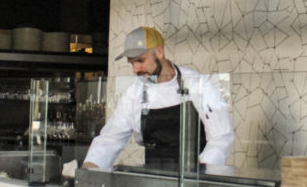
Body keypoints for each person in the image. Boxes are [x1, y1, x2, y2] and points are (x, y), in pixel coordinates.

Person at [82, 26, 233, 169]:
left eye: (140, 61)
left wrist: (201, 173)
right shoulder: (134, 93)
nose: (135, 69)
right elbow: (111, 138)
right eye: (132, 63)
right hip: (153, 181)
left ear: (160, 52)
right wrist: (89, 168)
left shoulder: (198, 84)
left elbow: (221, 137)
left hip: (194, 180)